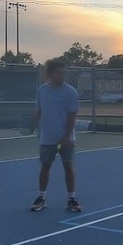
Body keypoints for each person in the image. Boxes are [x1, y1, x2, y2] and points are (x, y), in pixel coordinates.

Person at [30, 58, 81, 212]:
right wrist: (32, 124)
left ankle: (71, 199)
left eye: (63, 72)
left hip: (66, 139)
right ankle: (41, 198)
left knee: (68, 167)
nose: (62, 75)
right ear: (50, 73)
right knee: (45, 167)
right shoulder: (42, 90)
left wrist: (66, 136)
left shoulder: (71, 92)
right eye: (59, 73)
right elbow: (40, 110)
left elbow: (72, 116)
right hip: (47, 138)